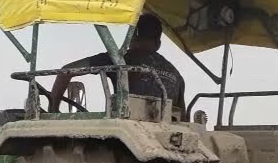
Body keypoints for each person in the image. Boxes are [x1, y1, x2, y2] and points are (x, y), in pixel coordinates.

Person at [47, 12, 186, 118]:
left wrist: (53, 111)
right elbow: (183, 118)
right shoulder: (176, 74)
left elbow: (65, 72)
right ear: (158, 43)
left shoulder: (120, 59)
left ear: (132, 37)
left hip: (127, 129)